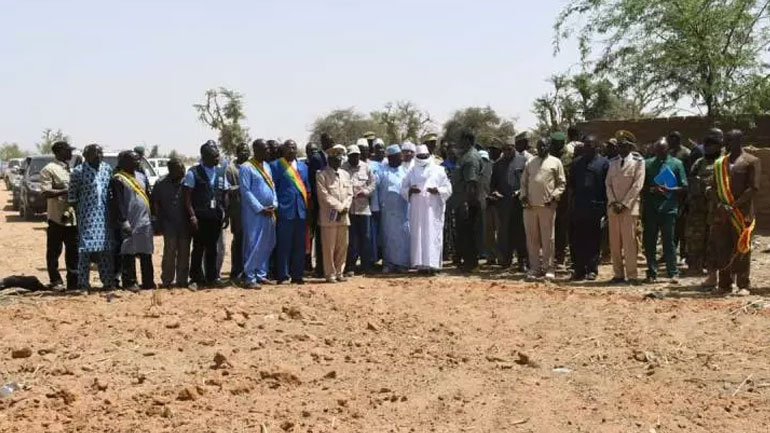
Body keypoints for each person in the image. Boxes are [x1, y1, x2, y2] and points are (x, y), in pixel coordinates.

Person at [709, 129, 761, 295]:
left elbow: (753, 188)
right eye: (726, 140)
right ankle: (724, 283)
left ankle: (743, 284)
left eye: (730, 140)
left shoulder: (751, 161)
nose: (726, 143)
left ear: (739, 141)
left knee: (742, 248)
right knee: (722, 248)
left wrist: (733, 205)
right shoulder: (720, 163)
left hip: (742, 213)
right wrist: (720, 205)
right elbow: (714, 188)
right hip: (722, 214)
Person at [642, 137, 688, 283]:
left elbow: (684, 187)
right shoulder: (647, 164)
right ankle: (651, 272)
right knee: (650, 241)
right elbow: (640, 186)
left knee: (669, 241)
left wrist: (670, 189)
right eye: (657, 150)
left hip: (669, 208)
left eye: (662, 150)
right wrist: (651, 189)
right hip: (651, 209)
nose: (659, 153)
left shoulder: (677, 164)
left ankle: (672, 272)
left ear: (668, 149)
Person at [68, 144, 114, 291]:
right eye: (95, 153)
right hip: (87, 216)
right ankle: (83, 284)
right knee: (85, 250)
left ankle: (108, 282)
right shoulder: (78, 172)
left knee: (105, 250)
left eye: (101, 153)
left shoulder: (107, 169)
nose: (99, 156)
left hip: (105, 216)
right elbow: (72, 197)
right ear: (86, 155)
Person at [184, 141, 230, 288]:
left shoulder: (221, 172)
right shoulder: (193, 173)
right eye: (214, 156)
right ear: (204, 157)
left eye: (218, 155)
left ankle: (212, 277)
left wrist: (226, 214)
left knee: (213, 249)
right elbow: (187, 198)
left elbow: (225, 194)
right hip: (199, 218)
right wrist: (192, 216)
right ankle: (196, 278)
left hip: (215, 217)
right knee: (198, 248)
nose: (218, 158)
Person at [401, 145, 452, 274]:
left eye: (425, 156)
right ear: (416, 157)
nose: (423, 159)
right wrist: (410, 190)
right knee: (418, 235)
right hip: (417, 210)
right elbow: (403, 188)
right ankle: (421, 265)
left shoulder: (439, 170)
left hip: (433, 209)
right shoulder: (411, 171)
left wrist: (438, 191)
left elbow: (448, 188)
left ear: (429, 155)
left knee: (433, 235)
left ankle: (433, 265)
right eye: (420, 156)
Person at [520, 138, 566, 281]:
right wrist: (523, 196)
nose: (541, 148)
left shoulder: (556, 162)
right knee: (532, 238)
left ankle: (549, 268)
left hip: (547, 206)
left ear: (549, 146)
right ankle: (534, 268)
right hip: (530, 207)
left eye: (544, 146)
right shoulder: (530, 162)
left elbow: (561, 183)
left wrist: (554, 196)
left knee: (548, 239)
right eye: (539, 146)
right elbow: (523, 182)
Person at [110, 151, 154, 291]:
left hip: (144, 220)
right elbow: (118, 203)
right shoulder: (118, 179)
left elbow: (148, 196)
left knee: (146, 251)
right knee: (128, 251)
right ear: (124, 162)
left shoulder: (141, 176)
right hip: (130, 221)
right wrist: (123, 221)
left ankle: (148, 281)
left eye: (138, 160)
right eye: (134, 160)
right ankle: (129, 282)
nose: (138, 162)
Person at [605, 131, 645, 284]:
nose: (620, 148)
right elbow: (608, 184)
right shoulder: (612, 162)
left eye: (623, 145)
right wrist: (613, 201)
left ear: (630, 146)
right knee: (614, 243)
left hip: (629, 208)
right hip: (613, 207)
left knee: (629, 243)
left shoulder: (638, 161)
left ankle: (632, 275)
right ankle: (618, 274)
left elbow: (637, 185)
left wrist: (624, 203)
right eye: (619, 145)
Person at [568, 135, 609, 281]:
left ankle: (592, 269)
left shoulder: (604, 163)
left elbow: (607, 186)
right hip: (579, 206)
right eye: (586, 145)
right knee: (578, 239)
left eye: (591, 145)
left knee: (593, 240)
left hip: (596, 207)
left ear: (597, 147)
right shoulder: (576, 163)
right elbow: (572, 185)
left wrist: (605, 208)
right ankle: (579, 269)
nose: (588, 148)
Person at [239, 139, 277, 289]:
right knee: (253, 243)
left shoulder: (267, 166)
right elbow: (246, 191)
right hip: (254, 213)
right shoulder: (246, 167)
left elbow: (272, 187)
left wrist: (274, 204)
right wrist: (260, 208)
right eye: (265, 149)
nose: (268, 151)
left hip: (270, 211)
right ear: (256, 150)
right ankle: (249, 277)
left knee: (267, 243)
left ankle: (261, 274)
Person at [40, 141, 78, 291]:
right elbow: (45, 192)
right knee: (54, 252)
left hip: (73, 219)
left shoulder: (72, 170)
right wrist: (65, 191)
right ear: (59, 152)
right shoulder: (49, 169)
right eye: (68, 150)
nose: (71, 153)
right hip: (57, 218)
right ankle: (56, 281)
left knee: (73, 252)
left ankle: (73, 283)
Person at [686, 129, 722, 283]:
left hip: (716, 207)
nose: (708, 148)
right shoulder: (699, 163)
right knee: (695, 237)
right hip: (698, 206)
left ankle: (713, 267)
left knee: (715, 238)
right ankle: (695, 265)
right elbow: (691, 181)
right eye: (706, 145)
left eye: (712, 145)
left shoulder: (722, 162)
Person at [271, 139, 309, 284]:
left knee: (299, 245)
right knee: (283, 245)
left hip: (301, 211)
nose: (291, 150)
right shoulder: (275, 166)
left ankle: (297, 275)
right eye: (288, 148)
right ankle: (283, 275)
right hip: (284, 210)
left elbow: (307, 189)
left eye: (294, 147)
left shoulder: (303, 166)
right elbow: (273, 188)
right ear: (283, 150)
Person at [316, 145, 354, 282]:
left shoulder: (345, 174)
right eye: (335, 157)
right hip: (329, 217)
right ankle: (330, 273)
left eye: (340, 157)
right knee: (329, 247)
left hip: (344, 216)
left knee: (342, 245)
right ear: (329, 159)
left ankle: (339, 272)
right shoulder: (322, 175)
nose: (338, 160)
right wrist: (339, 206)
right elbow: (324, 196)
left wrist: (345, 206)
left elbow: (350, 193)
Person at [448, 130, 484, 273]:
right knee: (464, 232)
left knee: (468, 232)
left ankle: (471, 263)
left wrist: (467, 203)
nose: (459, 143)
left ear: (468, 141)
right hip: (462, 200)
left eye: (461, 140)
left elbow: (471, 183)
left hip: (467, 201)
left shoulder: (470, 158)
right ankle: (468, 261)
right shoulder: (465, 156)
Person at [153, 158, 191, 288]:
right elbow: (156, 203)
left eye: (182, 168)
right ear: (171, 170)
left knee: (184, 253)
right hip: (169, 224)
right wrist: (159, 221)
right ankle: (167, 280)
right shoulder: (161, 183)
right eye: (179, 168)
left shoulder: (187, 182)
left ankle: (182, 280)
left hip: (185, 224)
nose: (182, 170)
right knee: (169, 252)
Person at [342, 144, 376, 275]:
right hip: (349, 208)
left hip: (364, 208)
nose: (354, 158)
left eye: (356, 156)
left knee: (366, 238)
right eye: (351, 156)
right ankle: (350, 266)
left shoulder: (366, 167)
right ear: (348, 156)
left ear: (359, 156)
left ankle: (366, 266)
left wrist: (366, 192)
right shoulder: (343, 168)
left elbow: (373, 183)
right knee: (351, 239)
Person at [377, 145, 411, 273]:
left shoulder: (405, 171)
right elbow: (377, 188)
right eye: (397, 157)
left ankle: (403, 263)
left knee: (403, 236)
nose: (400, 159)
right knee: (388, 237)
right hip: (387, 211)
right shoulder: (382, 171)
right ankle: (389, 263)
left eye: (400, 156)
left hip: (402, 209)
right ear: (390, 158)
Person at [507, 132, 534, 272]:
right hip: (513, 201)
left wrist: (521, 192)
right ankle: (520, 260)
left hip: (526, 199)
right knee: (517, 232)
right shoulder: (511, 158)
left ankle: (529, 260)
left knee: (527, 232)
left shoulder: (529, 159)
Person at [308, 133, 333, 277]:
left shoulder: (333, 157)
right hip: (320, 203)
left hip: (332, 202)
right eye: (327, 141)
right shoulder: (317, 158)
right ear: (322, 142)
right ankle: (320, 268)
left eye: (331, 141)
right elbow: (313, 181)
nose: (329, 144)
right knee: (320, 235)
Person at [225, 143, 250, 282]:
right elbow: (227, 189)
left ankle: (249, 269)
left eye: (247, 151)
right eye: (242, 151)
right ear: (237, 152)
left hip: (252, 211)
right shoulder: (231, 169)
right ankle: (236, 270)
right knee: (238, 240)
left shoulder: (252, 167)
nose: (245, 153)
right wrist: (243, 187)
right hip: (238, 210)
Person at [550, 131, 574, 268]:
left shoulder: (569, 157)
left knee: (563, 227)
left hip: (566, 197)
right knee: (551, 226)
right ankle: (552, 255)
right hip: (549, 196)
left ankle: (562, 256)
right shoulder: (550, 156)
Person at [668, 130, 692, 264]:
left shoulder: (686, 153)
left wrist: (686, 193)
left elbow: (688, 174)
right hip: (669, 191)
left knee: (682, 225)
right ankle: (669, 253)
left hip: (682, 192)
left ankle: (683, 253)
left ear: (678, 140)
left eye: (672, 140)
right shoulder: (669, 153)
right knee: (671, 226)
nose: (670, 142)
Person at [479, 148, 497, 264]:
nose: (484, 162)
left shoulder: (495, 167)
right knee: (488, 232)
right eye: (482, 160)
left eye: (485, 159)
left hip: (496, 203)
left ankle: (500, 256)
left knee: (499, 232)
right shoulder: (477, 171)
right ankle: (490, 256)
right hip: (484, 204)